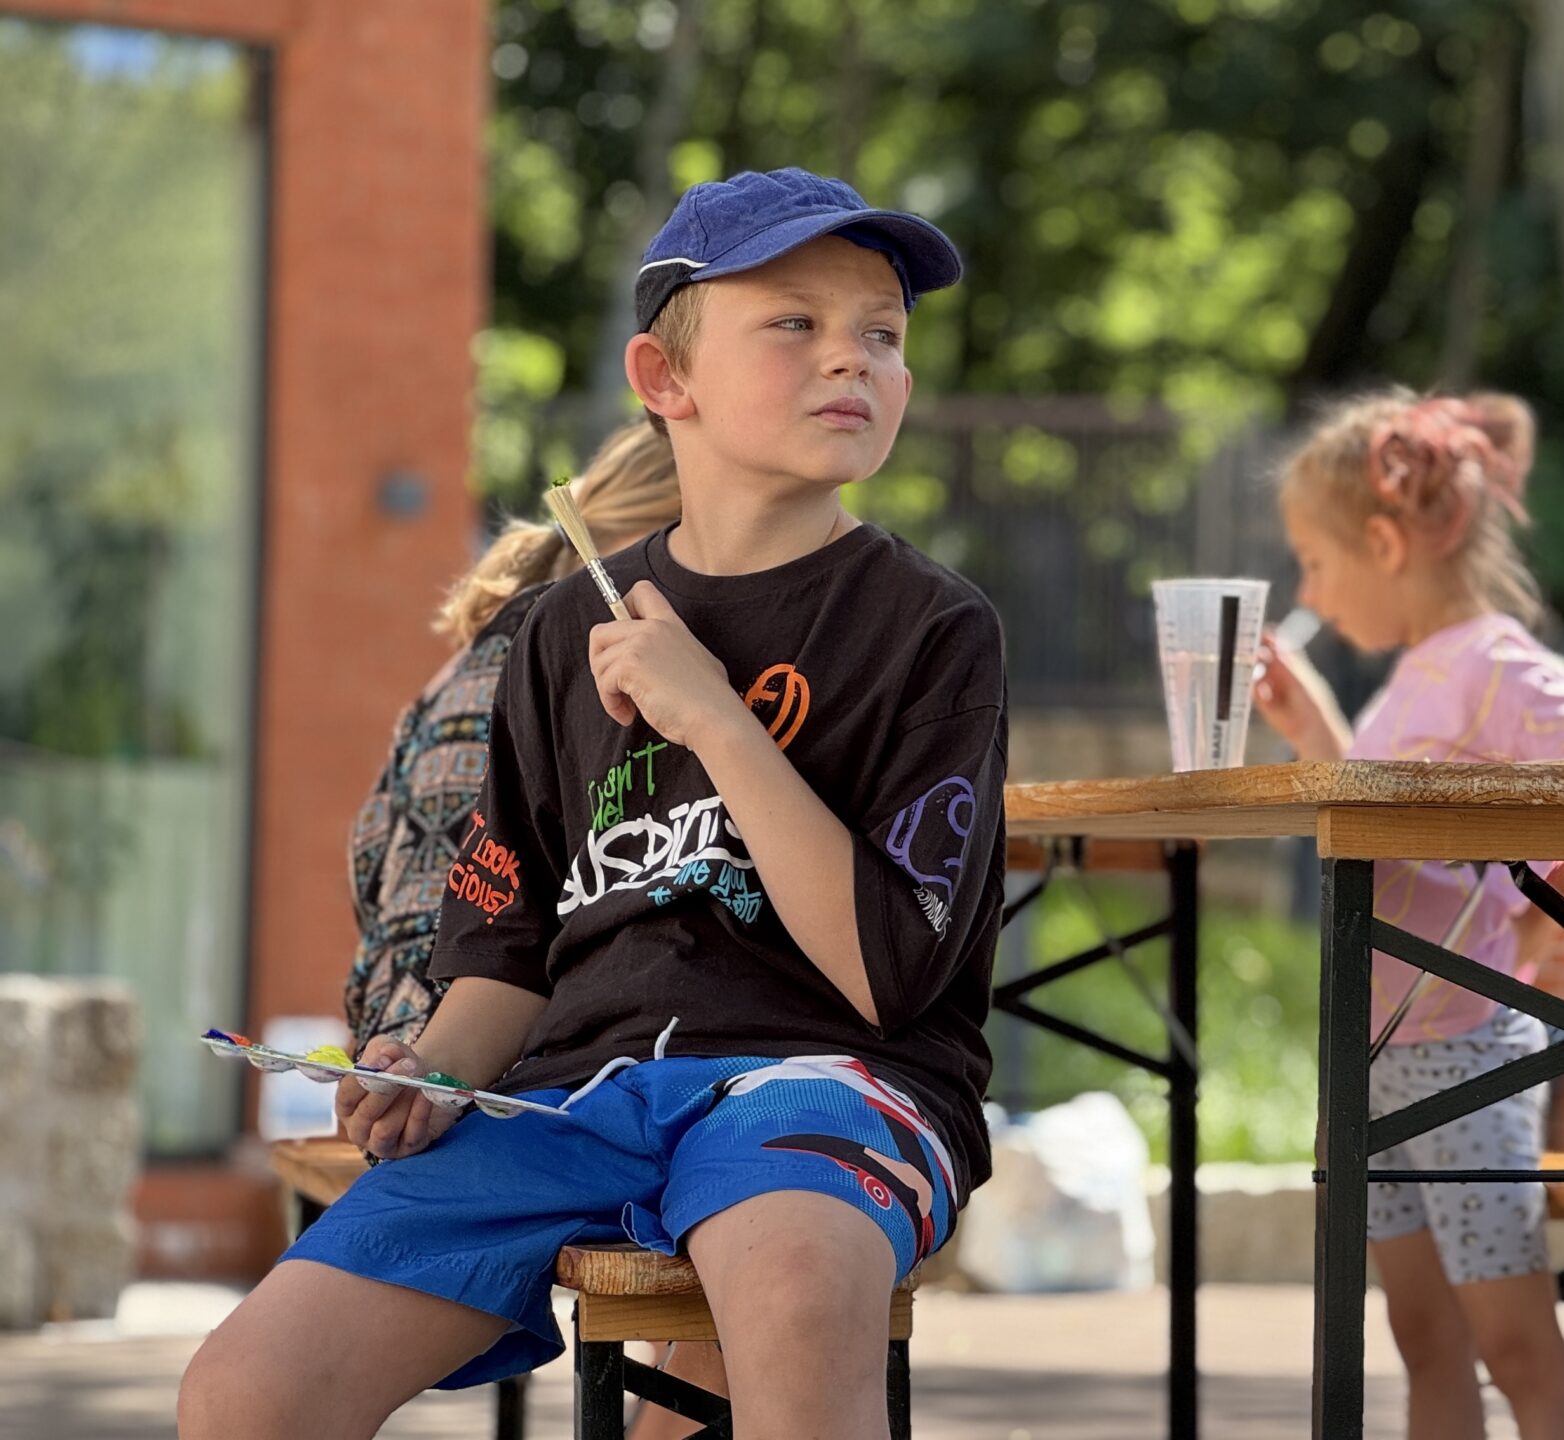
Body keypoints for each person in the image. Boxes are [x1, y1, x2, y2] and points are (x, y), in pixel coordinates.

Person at [179, 167, 1007, 1440]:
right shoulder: (563, 630)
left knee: (792, 1292)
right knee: (245, 1390)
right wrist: (433, 1071)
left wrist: (715, 719)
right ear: (665, 379)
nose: (853, 357)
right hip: (573, 1096)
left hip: (833, 1081)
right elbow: (505, 946)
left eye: (882, 334)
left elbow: (887, 975)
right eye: (795, 323)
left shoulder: (933, 627)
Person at [1255, 389, 1564, 1440]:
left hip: (1463, 1052)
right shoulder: (1416, 676)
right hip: (1369, 1048)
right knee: (1424, 1340)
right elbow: (1383, 832)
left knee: (1516, 1344)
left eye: (1314, 562)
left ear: (1384, 544)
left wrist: (1532, 907)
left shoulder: (1493, 665)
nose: (1307, 591)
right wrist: (1315, 729)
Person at [345, 421, 679, 1056]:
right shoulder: (577, 644)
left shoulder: (465, 663)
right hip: (480, 1056)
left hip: (394, 1048)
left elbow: (371, 865)